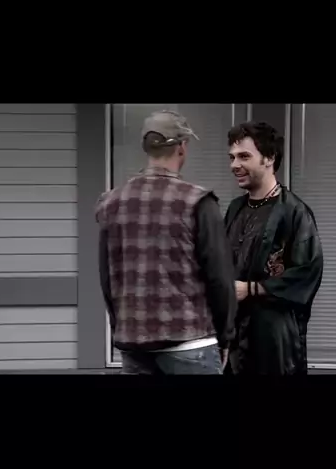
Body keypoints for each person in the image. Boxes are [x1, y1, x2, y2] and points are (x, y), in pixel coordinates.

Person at [96, 109, 237, 375]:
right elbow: (220, 278)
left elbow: (107, 278)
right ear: (182, 147)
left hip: (134, 346)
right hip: (191, 344)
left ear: (146, 147)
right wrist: (226, 335)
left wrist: (122, 328)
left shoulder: (111, 202)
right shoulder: (198, 201)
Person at [223, 121, 323, 375]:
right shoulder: (235, 209)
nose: (234, 164)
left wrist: (250, 289)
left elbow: (307, 273)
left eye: (244, 156)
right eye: (232, 157)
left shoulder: (293, 212)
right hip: (235, 339)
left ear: (269, 158)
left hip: (275, 341)